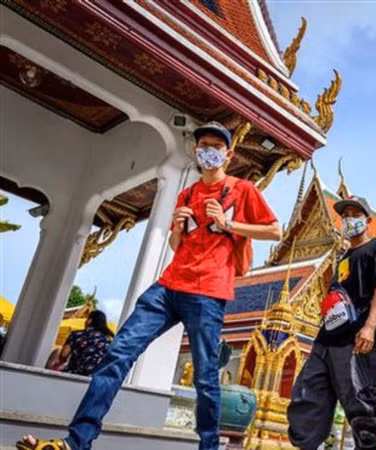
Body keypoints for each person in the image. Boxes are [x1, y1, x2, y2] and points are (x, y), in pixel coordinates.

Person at [17, 121, 281, 450]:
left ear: (228, 154)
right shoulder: (187, 193)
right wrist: (179, 229)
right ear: (197, 151)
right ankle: (77, 441)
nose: (208, 152)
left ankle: (209, 447)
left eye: (216, 147)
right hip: (169, 286)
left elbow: (275, 230)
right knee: (117, 353)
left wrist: (229, 224)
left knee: (206, 377)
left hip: (209, 291)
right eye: (203, 146)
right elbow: (175, 245)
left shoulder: (242, 191)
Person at [287, 195, 376, 450]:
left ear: (367, 220)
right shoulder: (343, 257)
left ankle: (373, 446)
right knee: (308, 393)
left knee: (360, 399)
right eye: (346, 215)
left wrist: (369, 326)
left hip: (356, 338)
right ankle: (305, 444)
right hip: (326, 338)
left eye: (356, 215)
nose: (349, 220)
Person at [58, 310, 115, 376]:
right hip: (95, 378)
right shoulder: (108, 340)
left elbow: (63, 355)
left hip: (74, 374)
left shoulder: (77, 335)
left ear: (90, 321)